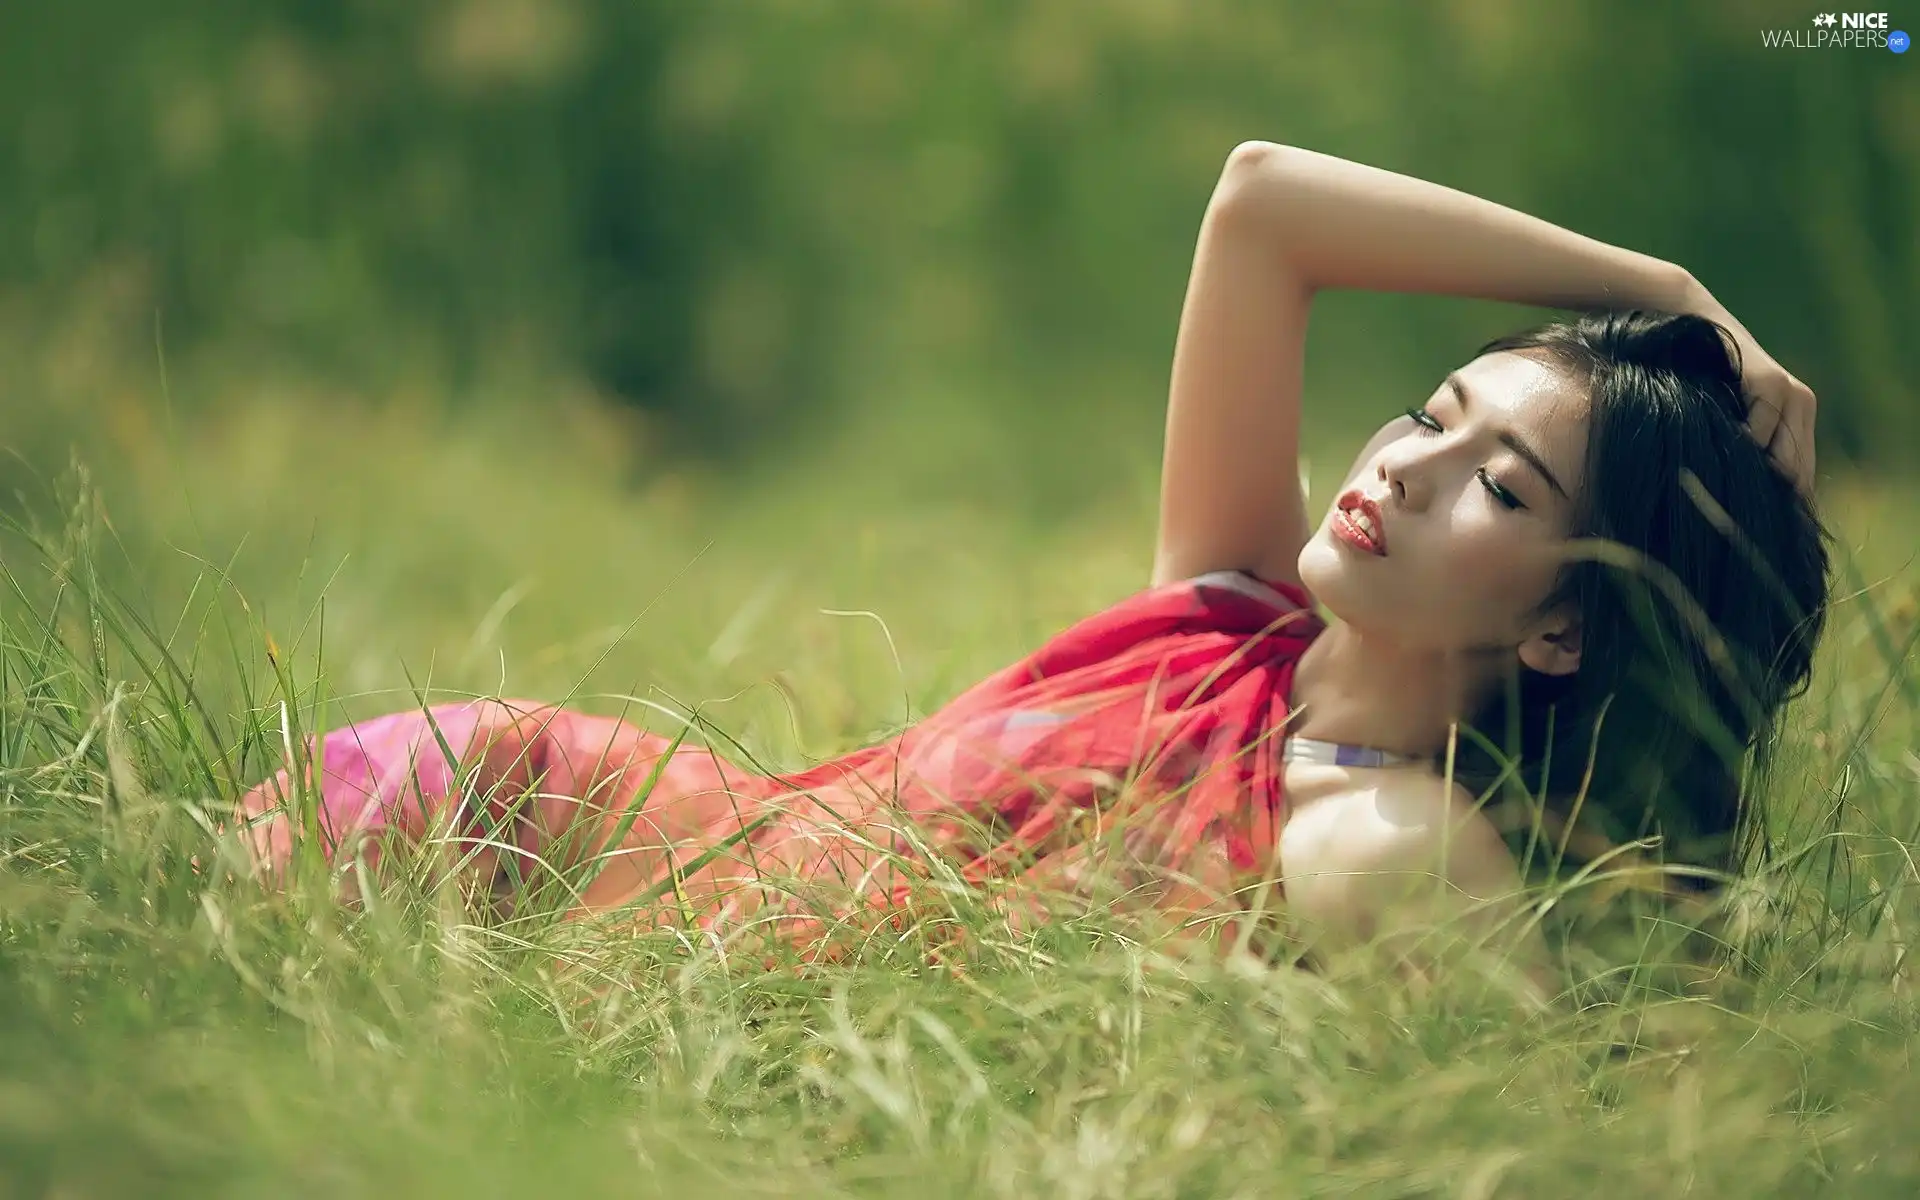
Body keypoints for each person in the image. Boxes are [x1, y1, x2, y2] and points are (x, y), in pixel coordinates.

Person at [235, 143, 1831, 985]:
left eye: (1494, 477)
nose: (1401, 460)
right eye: (1429, 406)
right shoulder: (1224, 612)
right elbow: (1264, 202)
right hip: (519, 815)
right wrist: (1665, 285)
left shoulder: (1386, 844)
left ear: (1565, 623)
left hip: (596, 982)